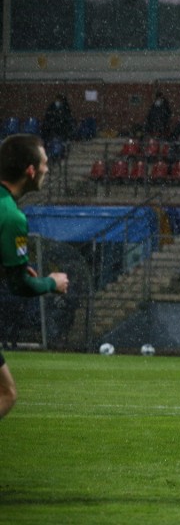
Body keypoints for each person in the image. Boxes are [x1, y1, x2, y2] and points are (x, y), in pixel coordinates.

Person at [0, 134, 70, 420]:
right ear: (31, 169)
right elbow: (21, 286)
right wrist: (52, 283)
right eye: (45, 163)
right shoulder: (12, 217)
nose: (47, 169)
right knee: (6, 394)